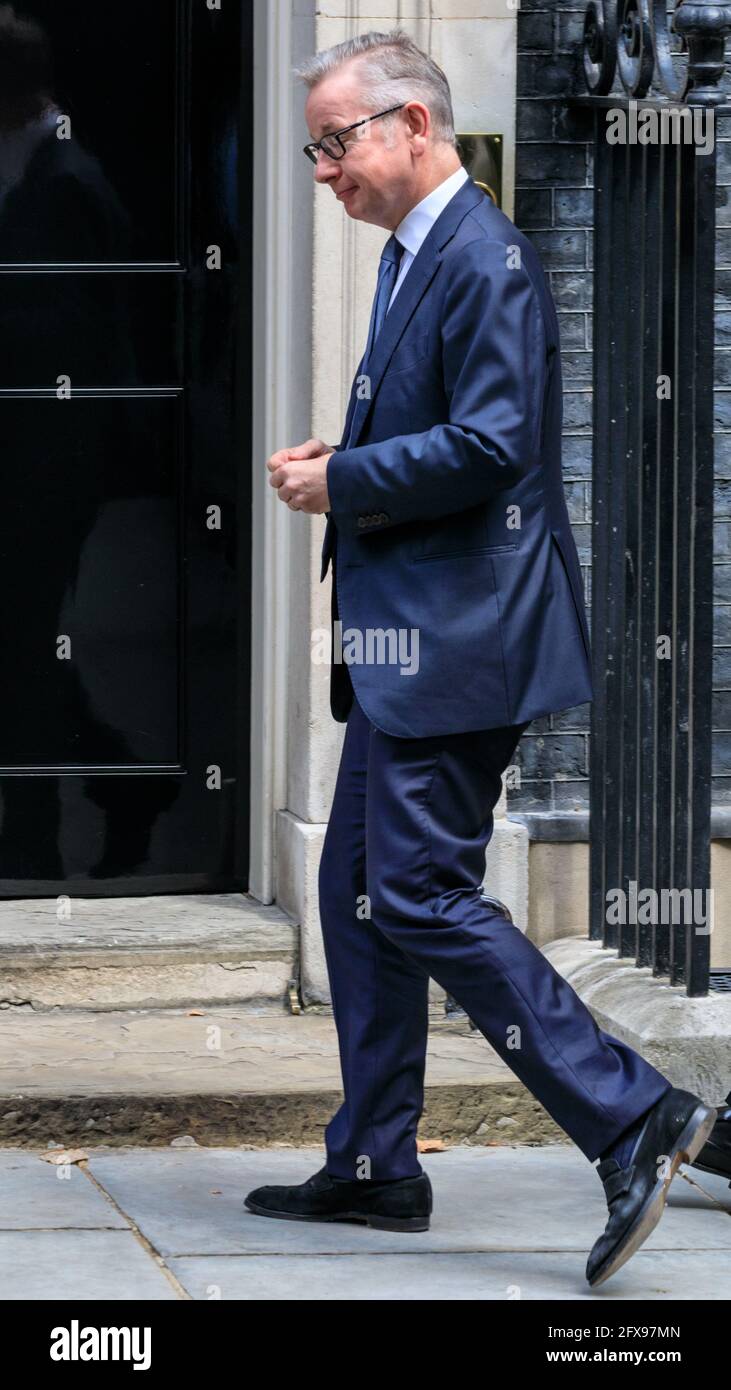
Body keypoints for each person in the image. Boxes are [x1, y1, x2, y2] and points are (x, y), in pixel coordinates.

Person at [250, 28, 717, 1289]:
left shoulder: (485, 254)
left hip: (464, 646)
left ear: (414, 124)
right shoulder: (417, 253)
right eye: (315, 146)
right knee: (355, 893)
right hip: (414, 646)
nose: (324, 171)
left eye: (337, 142)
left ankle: (632, 1116)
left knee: (413, 893)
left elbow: (495, 447)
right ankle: (374, 1162)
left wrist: (340, 480)